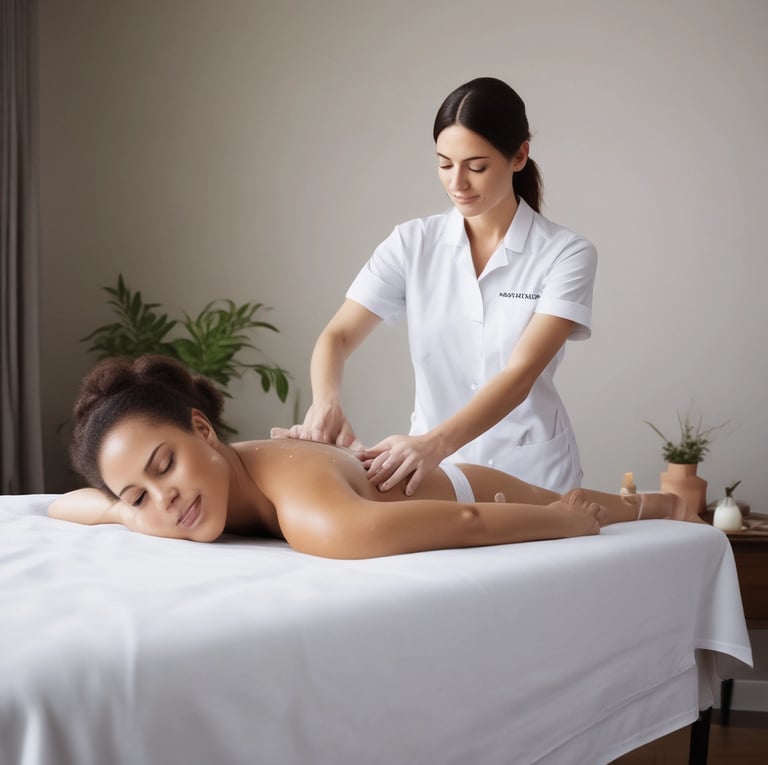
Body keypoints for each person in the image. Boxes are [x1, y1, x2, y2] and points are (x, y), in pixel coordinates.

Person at [273, 77, 598, 497]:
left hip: (530, 473)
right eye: (444, 164)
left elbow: (519, 375)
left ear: (519, 156)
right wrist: (326, 403)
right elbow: (337, 336)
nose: (457, 182)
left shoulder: (565, 254)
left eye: (476, 166)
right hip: (435, 475)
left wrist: (435, 444)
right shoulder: (412, 244)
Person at [48, 356, 698, 560]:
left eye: (164, 466)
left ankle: (665, 502)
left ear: (202, 429)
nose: (162, 499)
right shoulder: (161, 503)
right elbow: (71, 503)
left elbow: (467, 525)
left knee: (606, 508)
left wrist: (562, 519)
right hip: (394, 478)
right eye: (136, 494)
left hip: (467, 492)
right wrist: (120, 509)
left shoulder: (315, 516)